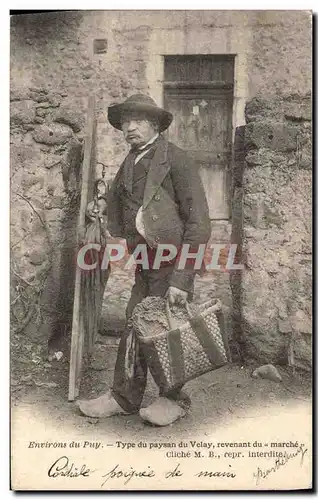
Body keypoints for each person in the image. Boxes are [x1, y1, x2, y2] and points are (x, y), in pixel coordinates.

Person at [77, 94, 211, 426]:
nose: (129, 128)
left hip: (173, 260)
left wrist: (183, 279)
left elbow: (199, 223)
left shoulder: (177, 160)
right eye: (125, 123)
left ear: (153, 124)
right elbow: (117, 198)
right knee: (135, 322)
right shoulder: (131, 161)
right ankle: (124, 398)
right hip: (145, 260)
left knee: (169, 328)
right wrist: (101, 207)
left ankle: (173, 399)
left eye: (136, 121)